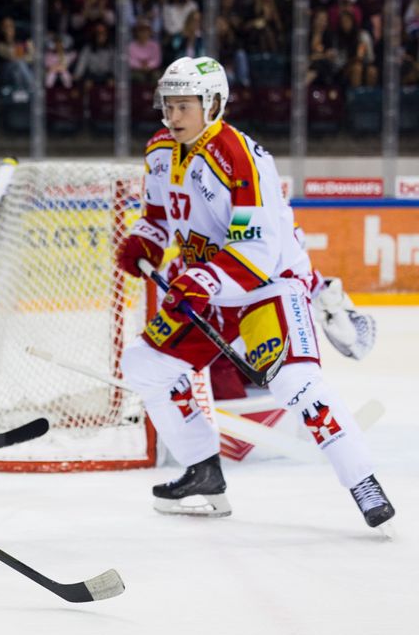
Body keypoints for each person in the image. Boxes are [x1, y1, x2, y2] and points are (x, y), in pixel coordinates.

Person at [115, 56, 395, 528]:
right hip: (206, 287)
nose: (173, 116)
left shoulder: (242, 159)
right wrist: (145, 242)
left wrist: (200, 281)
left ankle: (363, 481)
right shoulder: (160, 149)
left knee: (294, 383)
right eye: (168, 105)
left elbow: (257, 249)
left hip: (265, 286)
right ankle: (203, 469)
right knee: (146, 366)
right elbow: (159, 217)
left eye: (184, 106)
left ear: (213, 104)